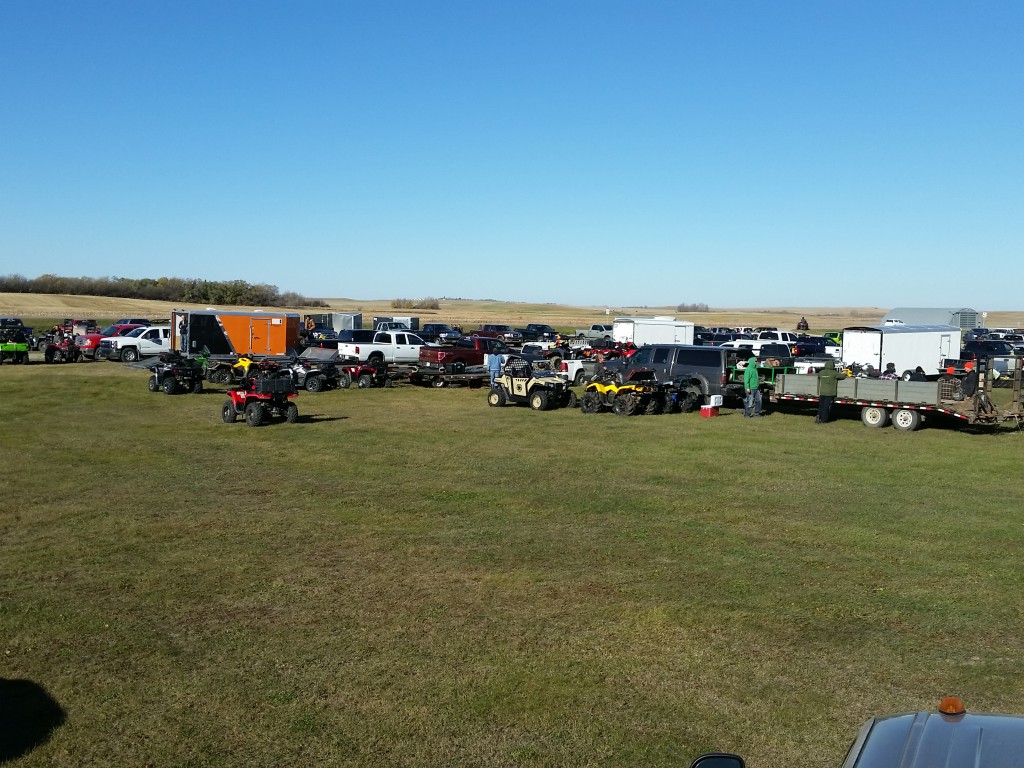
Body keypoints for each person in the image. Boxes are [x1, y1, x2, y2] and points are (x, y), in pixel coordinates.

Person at [815, 358, 846, 423]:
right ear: (832, 366)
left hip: (822, 392)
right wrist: (844, 373)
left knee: (821, 406)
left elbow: (818, 376)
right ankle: (824, 420)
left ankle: (818, 415)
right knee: (826, 407)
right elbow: (842, 377)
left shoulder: (821, 372)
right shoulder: (834, 373)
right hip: (830, 393)